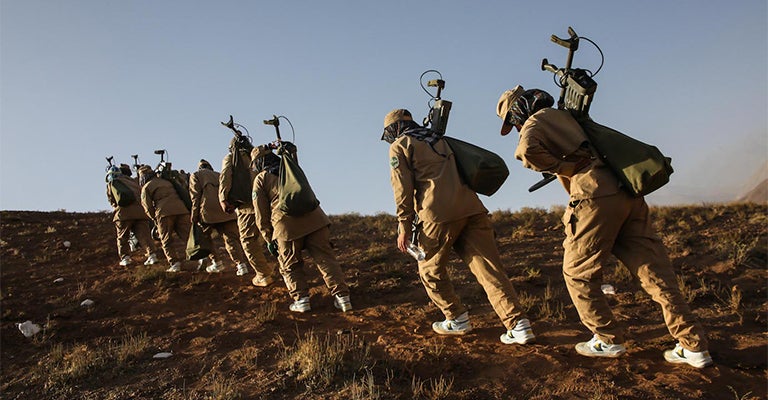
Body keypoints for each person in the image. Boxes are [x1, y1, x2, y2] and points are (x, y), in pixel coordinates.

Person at [496, 85, 712, 367]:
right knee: (655, 274)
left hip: (594, 196)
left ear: (518, 112)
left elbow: (525, 151)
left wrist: (563, 166)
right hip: (626, 192)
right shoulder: (569, 117)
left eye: (513, 122)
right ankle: (692, 344)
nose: (515, 128)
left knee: (577, 274)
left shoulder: (537, 121)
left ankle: (607, 339)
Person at [380, 109, 535, 344]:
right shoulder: (440, 140)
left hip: (438, 216)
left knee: (429, 270)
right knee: (490, 270)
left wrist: (403, 225)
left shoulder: (400, 146)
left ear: (393, 129)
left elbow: (402, 189)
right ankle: (518, 325)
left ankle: (456, 317)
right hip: (472, 209)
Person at [251, 145, 352, 312]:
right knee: (326, 260)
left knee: (290, 264)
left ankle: (302, 300)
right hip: (316, 220)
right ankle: (343, 298)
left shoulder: (261, 179)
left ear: (259, 162)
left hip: (286, 227)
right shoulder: (291, 168)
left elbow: (261, 214)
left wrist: (268, 238)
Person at [219, 137, 276, 284]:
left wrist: (223, 199)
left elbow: (225, 177)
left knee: (248, 240)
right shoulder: (256, 154)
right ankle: (285, 266)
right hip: (267, 201)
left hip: (246, 207)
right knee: (273, 235)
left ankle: (263, 274)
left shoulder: (231, 158)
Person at [189, 159, 251, 276]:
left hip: (208, 211)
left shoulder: (196, 175)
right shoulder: (219, 175)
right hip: (226, 209)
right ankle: (241, 265)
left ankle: (216, 262)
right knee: (231, 238)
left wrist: (194, 214)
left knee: (205, 238)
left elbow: (195, 196)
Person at [139, 165, 191, 272]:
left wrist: (154, 219)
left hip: (164, 213)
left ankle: (174, 263)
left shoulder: (146, 187)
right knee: (188, 236)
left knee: (166, 240)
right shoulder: (166, 181)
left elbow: (147, 207)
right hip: (181, 210)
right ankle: (200, 258)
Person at [105, 166, 158, 267]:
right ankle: (152, 255)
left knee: (123, 237)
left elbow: (112, 200)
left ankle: (125, 258)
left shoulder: (113, 183)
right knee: (144, 236)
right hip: (141, 213)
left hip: (124, 214)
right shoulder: (134, 182)